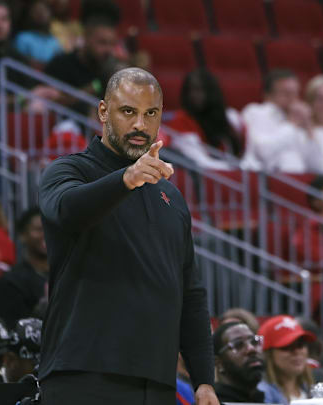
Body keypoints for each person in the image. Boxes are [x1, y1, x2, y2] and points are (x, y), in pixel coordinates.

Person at [37, 67, 217, 405]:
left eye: (151, 114)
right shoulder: (69, 171)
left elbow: (190, 294)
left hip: (157, 382)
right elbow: (67, 211)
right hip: (84, 375)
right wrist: (125, 179)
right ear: (103, 111)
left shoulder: (171, 197)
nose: (140, 125)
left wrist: (203, 380)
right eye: (128, 112)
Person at [240, 69, 321, 173]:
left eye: (295, 93)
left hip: (299, 179)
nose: (293, 99)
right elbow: (262, 152)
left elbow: (317, 165)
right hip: (267, 178)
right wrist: (291, 125)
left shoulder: (298, 121)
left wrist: (309, 127)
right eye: (287, 93)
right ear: (268, 95)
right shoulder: (256, 112)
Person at [164, 68, 244, 168]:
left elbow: (237, 153)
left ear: (211, 92)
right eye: (190, 90)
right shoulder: (181, 120)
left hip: (226, 172)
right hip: (206, 176)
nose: (193, 95)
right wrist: (235, 168)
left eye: (199, 90)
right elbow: (200, 162)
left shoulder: (228, 118)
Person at [0, 208, 48, 328]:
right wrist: (43, 308)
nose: (46, 234)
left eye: (51, 229)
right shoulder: (11, 282)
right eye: (39, 229)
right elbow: (13, 328)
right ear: (23, 235)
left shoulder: (67, 274)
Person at [212, 322, 284, 404]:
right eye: (238, 344)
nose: (251, 349)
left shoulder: (263, 398)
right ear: (219, 363)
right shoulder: (212, 401)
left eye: (254, 341)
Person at [258, 315, 316, 403]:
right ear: (269, 354)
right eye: (287, 346)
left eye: (300, 345)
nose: (297, 352)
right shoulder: (263, 393)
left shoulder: (310, 389)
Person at [13, 0, 63, 66]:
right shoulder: (22, 37)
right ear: (30, 15)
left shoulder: (54, 42)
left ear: (50, 14)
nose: (41, 14)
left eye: (44, 11)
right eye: (37, 11)